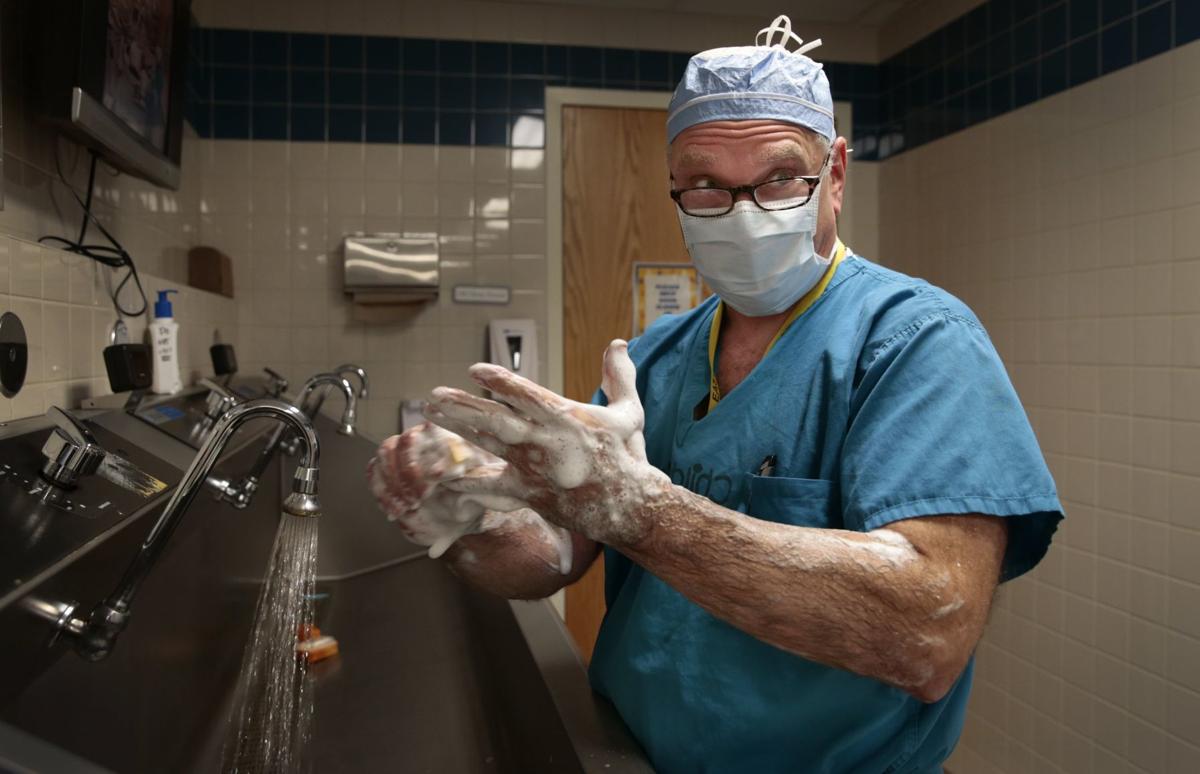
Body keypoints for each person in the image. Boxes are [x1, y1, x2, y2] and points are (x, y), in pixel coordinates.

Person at [368, 15, 1063, 773]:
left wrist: (639, 511)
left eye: (779, 179)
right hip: (628, 752)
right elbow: (555, 556)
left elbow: (928, 633)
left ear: (834, 172)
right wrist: (462, 519)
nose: (743, 212)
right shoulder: (655, 357)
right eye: (704, 186)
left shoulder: (915, 342)